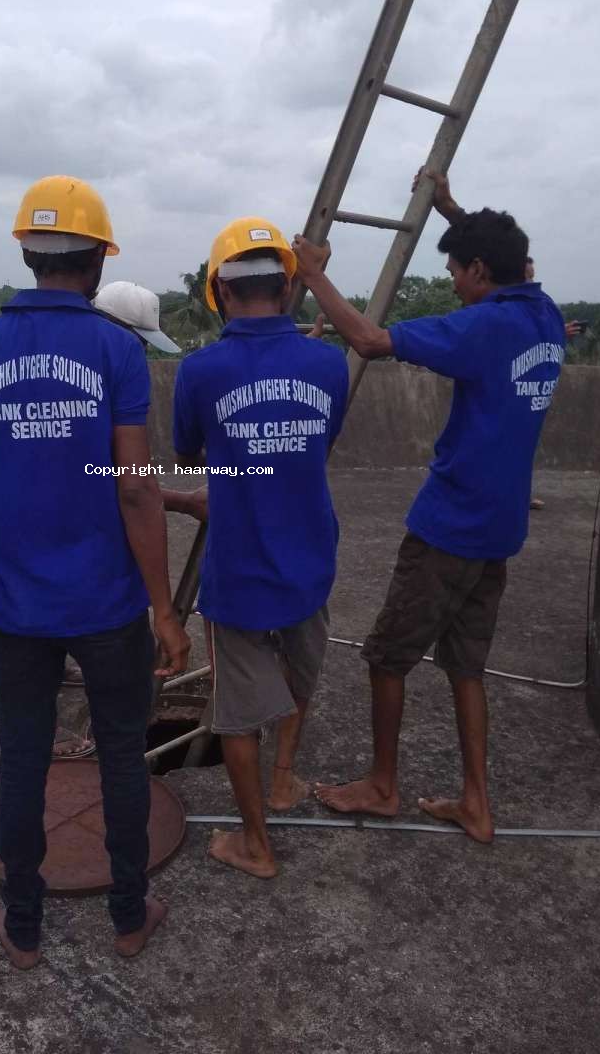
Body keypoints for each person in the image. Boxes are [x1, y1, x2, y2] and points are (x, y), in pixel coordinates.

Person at [0, 175, 190, 968]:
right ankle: (130, 918)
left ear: (27, 254)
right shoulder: (116, 351)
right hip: (108, 606)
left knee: (23, 761)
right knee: (121, 757)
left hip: (18, 610)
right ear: (99, 261)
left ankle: (24, 928)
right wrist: (164, 609)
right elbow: (135, 488)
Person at [293, 171, 566, 843]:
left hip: (451, 527)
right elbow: (509, 258)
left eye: (456, 271)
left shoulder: (483, 327)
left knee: (387, 656)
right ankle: (476, 802)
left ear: (480, 271)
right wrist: (449, 210)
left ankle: (383, 786)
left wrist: (314, 273)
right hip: (500, 528)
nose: (452, 283)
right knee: (466, 666)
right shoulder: (543, 314)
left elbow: (370, 341)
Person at [172, 217, 349, 878]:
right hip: (310, 562)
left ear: (220, 290)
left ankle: (255, 843)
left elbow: (186, 451)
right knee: (298, 679)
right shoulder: (328, 363)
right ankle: (284, 779)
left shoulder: (201, 371)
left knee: (239, 715)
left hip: (239, 571)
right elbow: (319, 443)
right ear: (288, 285)